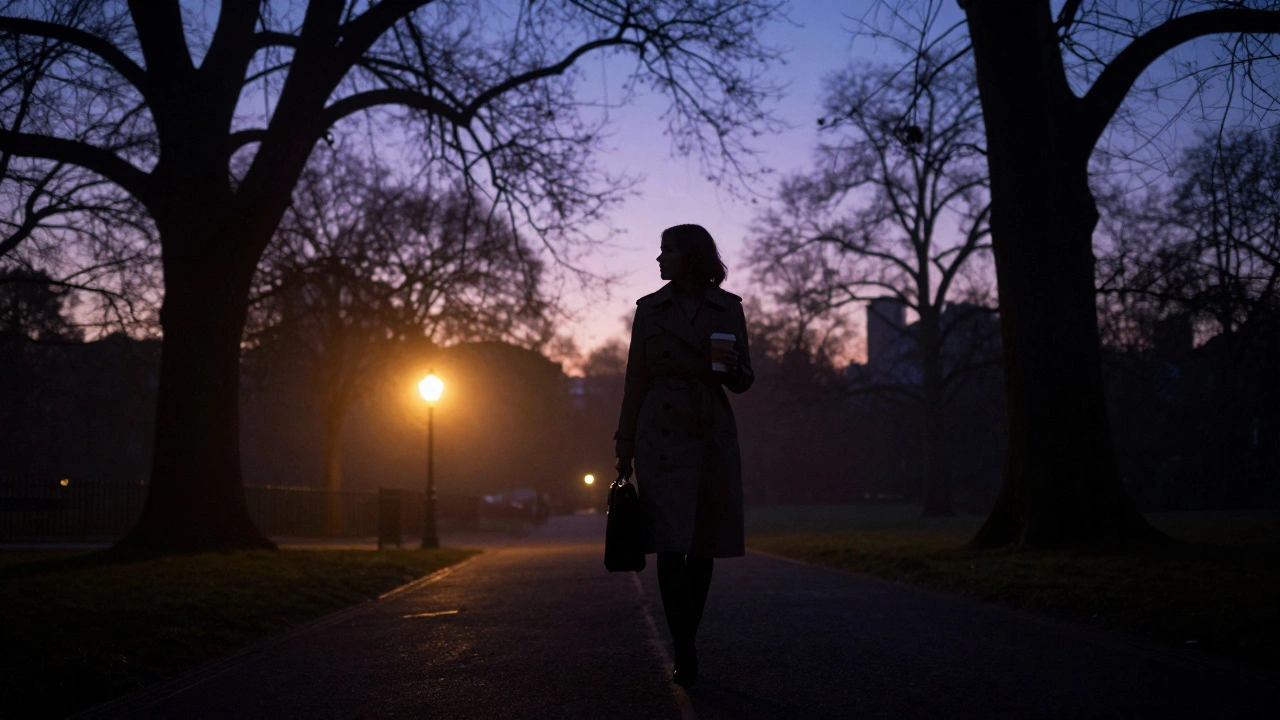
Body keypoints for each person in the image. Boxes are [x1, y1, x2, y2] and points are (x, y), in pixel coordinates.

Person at [613, 224, 754, 688]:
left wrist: (733, 370)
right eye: (660, 251)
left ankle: (687, 637)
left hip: (711, 427)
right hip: (662, 432)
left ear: (690, 256)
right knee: (672, 546)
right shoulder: (650, 310)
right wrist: (625, 444)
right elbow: (635, 379)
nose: (659, 260)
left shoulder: (728, 308)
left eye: (667, 251)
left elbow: (744, 379)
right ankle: (685, 647)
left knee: (704, 543)